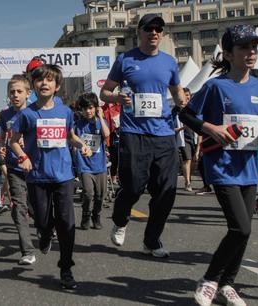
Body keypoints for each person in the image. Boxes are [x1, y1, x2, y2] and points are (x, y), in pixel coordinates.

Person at [179, 24, 258, 306]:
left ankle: (228, 285)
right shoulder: (216, 86)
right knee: (241, 228)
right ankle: (211, 278)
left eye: (254, 47)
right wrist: (211, 128)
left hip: (249, 168)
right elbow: (186, 114)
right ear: (228, 53)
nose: (251, 52)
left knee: (244, 230)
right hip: (223, 167)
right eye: (243, 47)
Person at [100, 14, 186, 257]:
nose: (154, 33)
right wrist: (116, 97)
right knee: (134, 186)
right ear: (139, 32)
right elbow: (105, 93)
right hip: (134, 133)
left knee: (166, 191)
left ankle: (152, 240)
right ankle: (120, 219)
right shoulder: (125, 60)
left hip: (164, 133)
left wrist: (182, 100)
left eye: (158, 29)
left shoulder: (169, 62)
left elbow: (177, 91)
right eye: (149, 28)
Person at [10, 64, 92, 289]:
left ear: (57, 86)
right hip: (37, 177)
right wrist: (23, 157)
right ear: (33, 85)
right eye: (40, 80)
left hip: (64, 176)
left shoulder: (65, 111)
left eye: (49, 80)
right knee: (44, 221)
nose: (44, 83)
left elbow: (71, 136)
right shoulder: (27, 114)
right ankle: (44, 235)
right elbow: (14, 141)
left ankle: (66, 268)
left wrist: (81, 144)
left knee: (67, 223)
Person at [0, 74, 36, 265]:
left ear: (28, 93)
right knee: (19, 208)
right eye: (12, 92)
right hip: (15, 167)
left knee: (37, 207)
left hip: (36, 168)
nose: (15, 95)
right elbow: (1, 134)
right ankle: (27, 251)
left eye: (19, 91)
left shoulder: (36, 112)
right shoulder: (5, 115)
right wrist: (1, 149)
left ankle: (45, 228)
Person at [74, 92, 110, 230]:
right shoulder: (78, 125)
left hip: (100, 165)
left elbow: (106, 134)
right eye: (84, 108)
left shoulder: (100, 122)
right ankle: (86, 215)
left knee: (101, 195)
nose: (88, 111)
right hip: (85, 165)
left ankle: (96, 215)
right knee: (89, 193)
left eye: (90, 108)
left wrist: (100, 117)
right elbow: (74, 141)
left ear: (95, 107)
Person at [172, 87, 195, 192]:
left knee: (191, 160)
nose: (187, 97)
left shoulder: (193, 108)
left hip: (193, 137)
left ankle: (188, 180)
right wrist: (182, 128)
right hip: (182, 137)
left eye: (188, 95)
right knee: (187, 160)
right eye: (185, 95)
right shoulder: (176, 110)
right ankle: (188, 182)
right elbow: (171, 127)